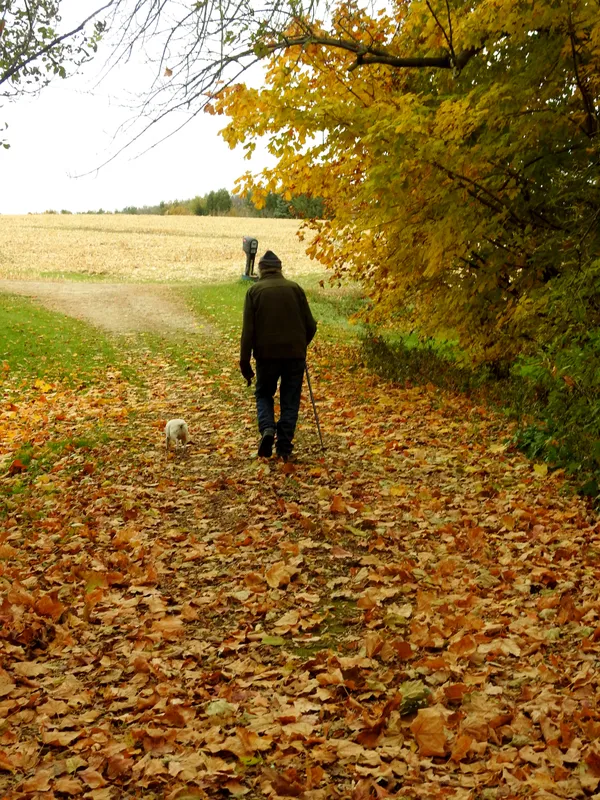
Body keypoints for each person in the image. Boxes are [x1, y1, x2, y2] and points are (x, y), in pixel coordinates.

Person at [240, 250, 317, 461]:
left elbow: (248, 331)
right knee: (290, 401)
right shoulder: (295, 289)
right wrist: (301, 345)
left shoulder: (254, 292)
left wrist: (245, 364)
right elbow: (310, 325)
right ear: (280, 268)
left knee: (264, 394)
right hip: (294, 355)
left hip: (266, 357)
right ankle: (284, 447)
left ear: (260, 270)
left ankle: (267, 429)